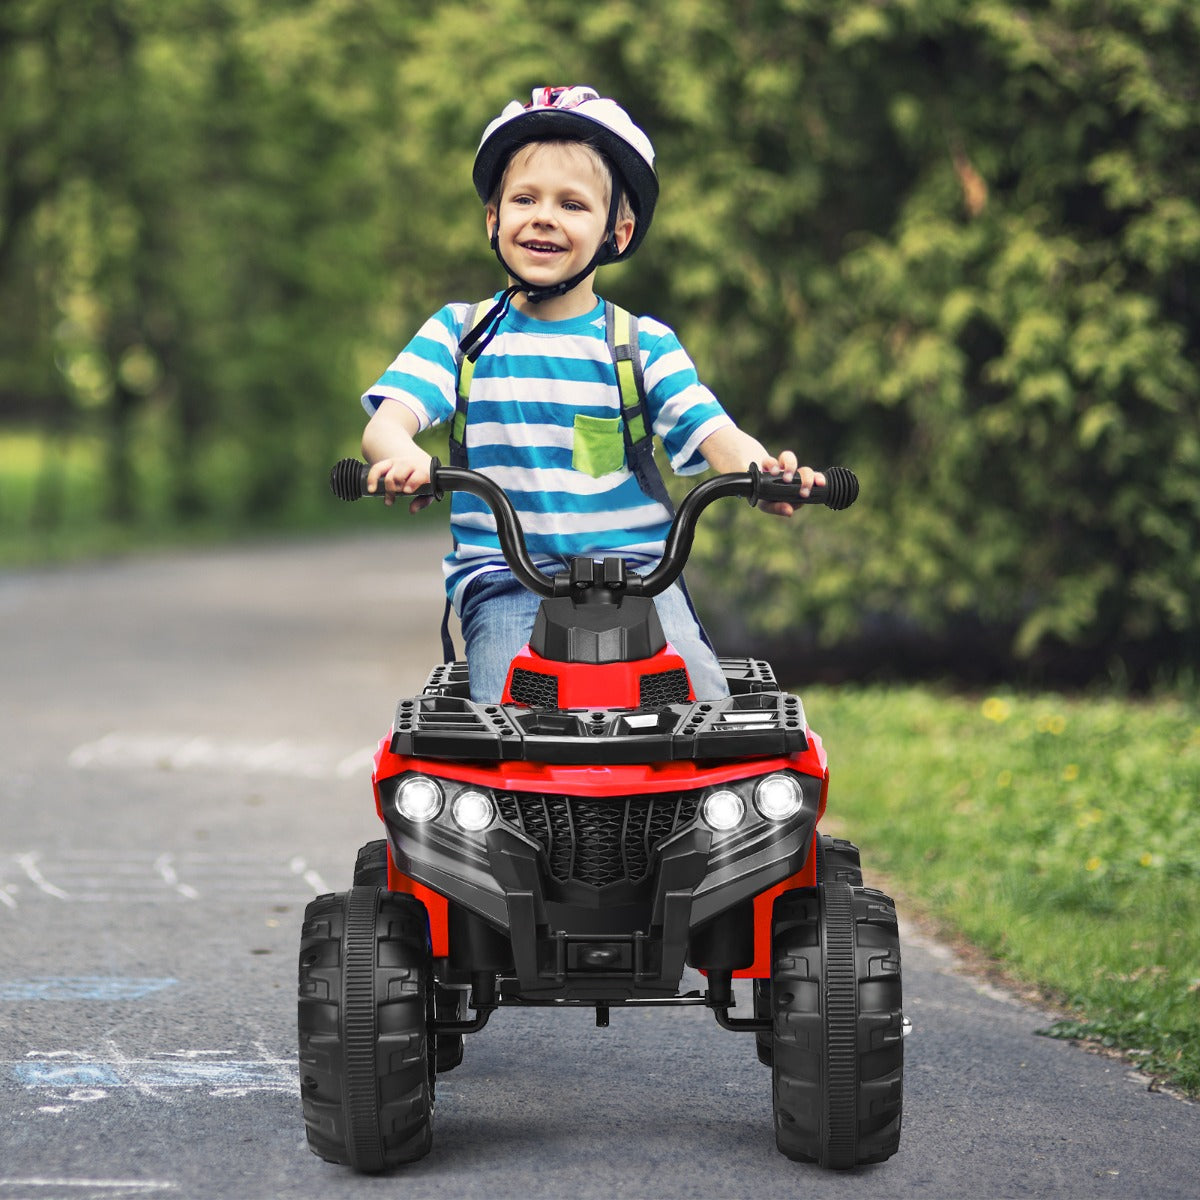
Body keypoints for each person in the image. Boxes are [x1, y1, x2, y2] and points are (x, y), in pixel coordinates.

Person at [360, 85, 824, 703]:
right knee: (511, 721)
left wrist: (762, 473)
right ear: (493, 219)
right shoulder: (459, 334)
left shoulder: (639, 344)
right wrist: (404, 456)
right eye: (524, 198)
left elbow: (716, 434)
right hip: (505, 582)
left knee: (703, 709)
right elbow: (387, 425)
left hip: (641, 580)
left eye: (572, 204)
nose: (544, 215)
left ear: (618, 232)